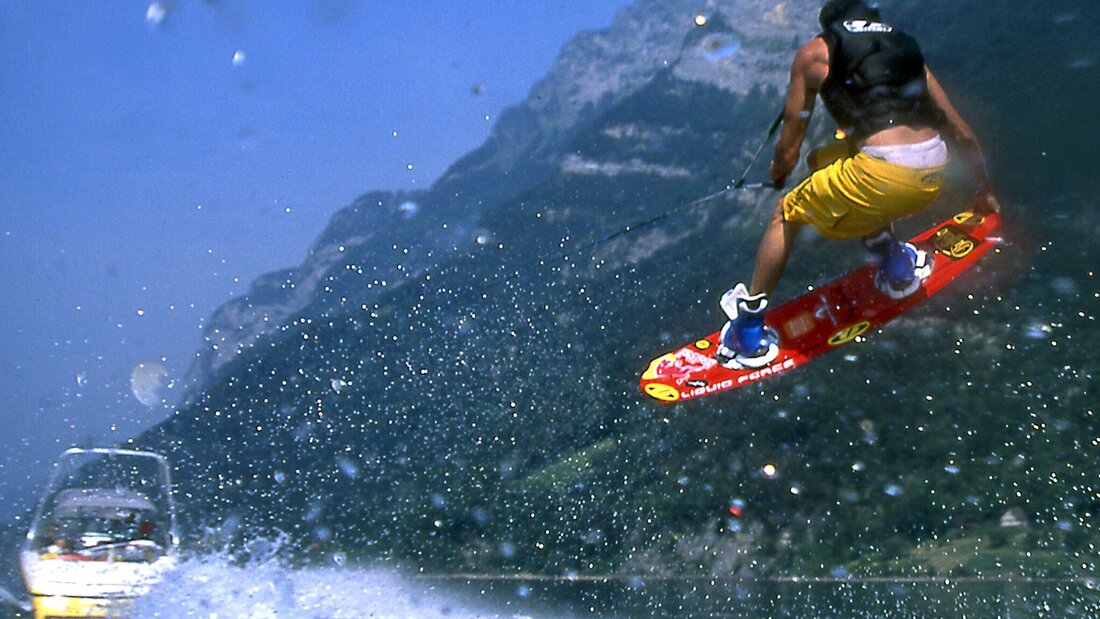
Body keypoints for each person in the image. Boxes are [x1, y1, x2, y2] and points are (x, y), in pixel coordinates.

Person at [716, 0, 1002, 369]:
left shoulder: (817, 52)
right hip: (932, 171)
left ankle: (748, 333)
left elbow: (790, 143)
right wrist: (985, 189)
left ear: (830, 20)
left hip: (882, 176)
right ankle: (896, 266)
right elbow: (960, 131)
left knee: (785, 213)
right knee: (825, 160)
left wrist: (779, 173)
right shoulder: (906, 47)